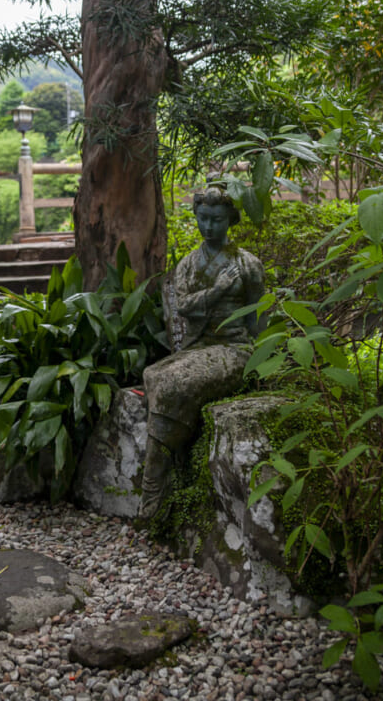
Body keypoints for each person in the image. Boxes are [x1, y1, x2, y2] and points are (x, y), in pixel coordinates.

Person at [139, 186, 264, 522]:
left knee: (172, 384)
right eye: (203, 219)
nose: (209, 227)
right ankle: (170, 462)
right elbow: (183, 306)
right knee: (154, 373)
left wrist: (262, 361)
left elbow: (258, 318)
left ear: (230, 220)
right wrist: (217, 290)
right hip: (201, 346)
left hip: (234, 349)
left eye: (217, 220)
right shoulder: (189, 264)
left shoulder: (247, 264)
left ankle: (153, 488)